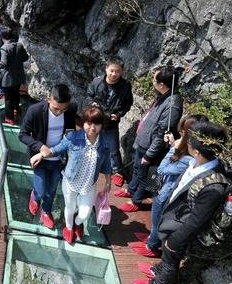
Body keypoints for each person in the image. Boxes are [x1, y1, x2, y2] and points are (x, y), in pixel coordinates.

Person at [133, 121, 230, 284]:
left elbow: (196, 221)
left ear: (196, 151)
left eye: (190, 141)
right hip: (175, 217)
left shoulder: (214, 186)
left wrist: (176, 240)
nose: (187, 142)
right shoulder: (197, 162)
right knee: (166, 249)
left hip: (182, 229)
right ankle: (160, 269)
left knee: (171, 254)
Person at [31, 104, 112, 244]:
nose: (92, 128)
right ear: (84, 123)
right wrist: (41, 155)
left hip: (89, 185)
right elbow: (56, 149)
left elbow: (106, 164)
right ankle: (68, 227)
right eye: (89, 123)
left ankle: (77, 222)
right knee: (70, 206)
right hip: (70, 182)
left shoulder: (104, 143)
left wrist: (108, 181)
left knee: (84, 213)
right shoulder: (73, 138)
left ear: (101, 125)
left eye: (96, 124)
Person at [129, 114, 208, 257]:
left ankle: (152, 245)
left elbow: (162, 169)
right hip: (164, 191)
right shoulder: (190, 155)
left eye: (183, 132)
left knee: (157, 221)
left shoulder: (189, 159)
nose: (181, 135)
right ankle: (152, 238)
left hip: (166, 195)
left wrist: (173, 149)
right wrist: (174, 145)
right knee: (156, 219)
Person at [115, 66, 184, 212]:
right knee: (136, 169)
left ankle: (136, 200)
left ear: (162, 85)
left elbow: (161, 133)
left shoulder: (173, 104)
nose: (152, 81)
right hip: (143, 142)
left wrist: (149, 154)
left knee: (143, 174)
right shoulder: (163, 96)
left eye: (155, 79)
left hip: (150, 147)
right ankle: (131, 189)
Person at [18, 84, 78, 229]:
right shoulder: (35, 111)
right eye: (56, 108)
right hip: (39, 158)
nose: (59, 112)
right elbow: (23, 134)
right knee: (41, 189)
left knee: (51, 190)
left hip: (58, 159)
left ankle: (46, 211)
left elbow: (70, 135)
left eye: (63, 109)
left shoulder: (70, 110)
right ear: (48, 100)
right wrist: (40, 147)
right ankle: (35, 196)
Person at [86, 57, 133, 187]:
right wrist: (93, 105)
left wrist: (118, 114)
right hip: (95, 120)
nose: (113, 74)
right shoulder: (96, 82)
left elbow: (127, 104)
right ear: (106, 69)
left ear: (122, 72)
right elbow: (89, 96)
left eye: (117, 71)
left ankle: (117, 172)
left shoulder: (125, 86)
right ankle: (90, 166)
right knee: (92, 144)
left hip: (111, 122)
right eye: (111, 70)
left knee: (113, 148)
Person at [0, 27, 29, 124]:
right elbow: (25, 57)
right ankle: (16, 110)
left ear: (2, 37)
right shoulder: (19, 45)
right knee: (16, 93)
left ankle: (9, 118)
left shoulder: (4, 48)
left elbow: (3, 64)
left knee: (8, 98)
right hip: (18, 75)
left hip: (8, 78)